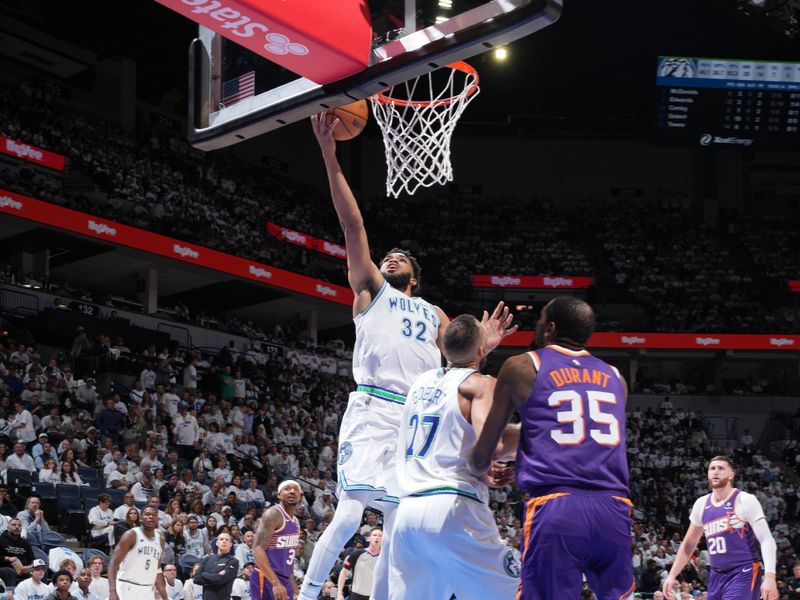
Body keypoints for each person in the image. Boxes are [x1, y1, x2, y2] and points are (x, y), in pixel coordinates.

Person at [300, 113, 515, 600]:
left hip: (416, 417)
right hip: (373, 408)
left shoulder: (434, 311)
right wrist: (330, 156)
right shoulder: (371, 291)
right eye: (386, 255)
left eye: (400, 258)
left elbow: (460, 357)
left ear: (414, 277)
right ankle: (308, 593)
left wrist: (488, 344)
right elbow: (352, 225)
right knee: (351, 508)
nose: (389, 257)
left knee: (403, 520)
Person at [472, 297, 634, 600]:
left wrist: (481, 467)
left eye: (539, 322)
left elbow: (485, 451)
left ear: (550, 328)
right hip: (614, 508)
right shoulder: (616, 377)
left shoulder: (522, 365)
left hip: (557, 507)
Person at [389, 315, 519, 600]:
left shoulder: (421, 382)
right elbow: (493, 445)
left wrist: (481, 346)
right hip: (454, 507)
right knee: (515, 591)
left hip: (408, 513)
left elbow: (450, 428)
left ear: (444, 350)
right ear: (481, 350)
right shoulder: (482, 384)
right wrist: (537, 432)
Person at [662, 456, 778, 600]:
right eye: (712, 468)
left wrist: (770, 576)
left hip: (743, 572)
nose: (715, 472)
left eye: (721, 468)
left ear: (731, 474)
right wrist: (672, 575)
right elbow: (689, 544)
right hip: (716, 575)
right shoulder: (701, 504)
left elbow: (766, 539)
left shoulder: (745, 500)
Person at [251, 480, 302, 600]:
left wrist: (294, 589)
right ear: (279, 495)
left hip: (284, 579)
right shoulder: (273, 513)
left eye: (295, 489)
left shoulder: (296, 522)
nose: (291, 491)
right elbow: (257, 549)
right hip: (267, 577)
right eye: (287, 488)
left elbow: (287, 561)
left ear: (300, 496)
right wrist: (275, 583)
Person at [107, 507, 169, 600]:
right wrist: (112, 591)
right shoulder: (131, 535)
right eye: (147, 514)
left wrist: (165, 597)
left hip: (147, 590)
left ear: (157, 519)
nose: (151, 517)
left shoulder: (160, 540)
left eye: (154, 515)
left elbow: (157, 570)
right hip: (126, 587)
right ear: (140, 518)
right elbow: (113, 563)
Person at [338, 529, 383, 600]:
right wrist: (339, 594)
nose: (377, 537)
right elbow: (343, 572)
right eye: (374, 535)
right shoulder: (357, 553)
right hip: (356, 595)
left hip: (375, 596)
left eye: (380, 536)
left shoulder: (385, 558)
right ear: (369, 538)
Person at [192, 532, 239, 600]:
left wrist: (203, 574)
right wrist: (216, 577)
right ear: (217, 543)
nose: (224, 541)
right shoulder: (207, 558)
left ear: (231, 544)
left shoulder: (233, 561)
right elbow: (196, 579)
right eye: (221, 539)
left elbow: (219, 580)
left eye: (227, 540)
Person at [0, 517, 35, 587]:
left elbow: (32, 560)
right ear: (8, 527)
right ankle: (10, 594)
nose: (17, 527)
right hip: (4, 568)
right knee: (9, 571)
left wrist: (29, 567)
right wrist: (7, 558)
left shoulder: (25, 543)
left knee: (39, 571)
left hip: (21, 569)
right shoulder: (1, 540)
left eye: (19, 525)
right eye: (14, 525)